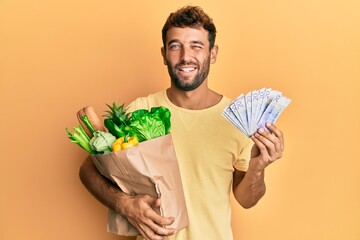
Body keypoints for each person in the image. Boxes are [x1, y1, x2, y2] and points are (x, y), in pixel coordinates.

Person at [79, 5, 285, 240]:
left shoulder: (237, 120)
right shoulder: (139, 110)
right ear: (164, 54)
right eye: (175, 46)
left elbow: (247, 200)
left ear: (213, 53)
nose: (186, 56)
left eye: (197, 46)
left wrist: (258, 168)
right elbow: (88, 169)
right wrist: (124, 204)